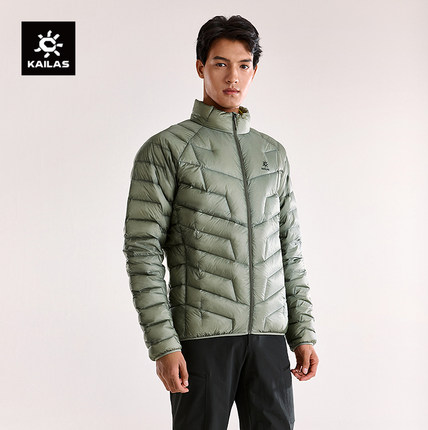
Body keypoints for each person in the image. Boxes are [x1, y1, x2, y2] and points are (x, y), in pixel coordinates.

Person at [123, 14, 319, 430]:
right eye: (220, 63)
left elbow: (289, 250)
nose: (233, 76)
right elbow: (142, 250)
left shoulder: (273, 154)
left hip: (268, 341)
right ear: (201, 67)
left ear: (254, 71)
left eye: (244, 65)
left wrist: (302, 333)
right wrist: (163, 344)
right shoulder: (167, 149)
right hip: (201, 342)